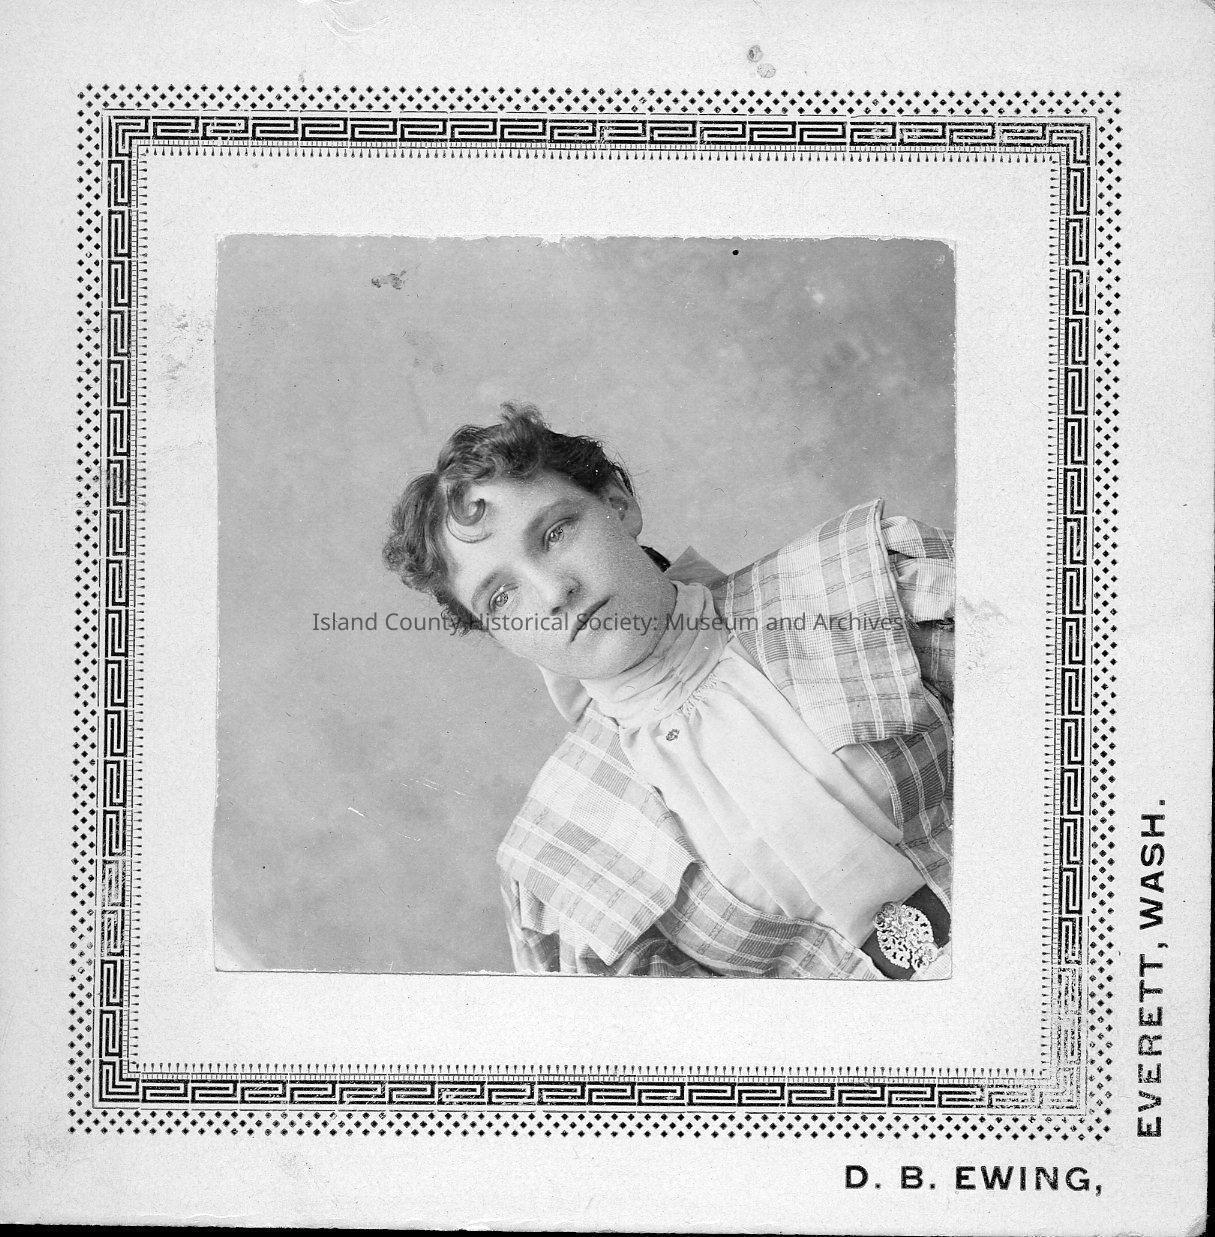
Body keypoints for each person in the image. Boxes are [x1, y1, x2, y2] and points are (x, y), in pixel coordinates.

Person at [382, 403, 954, 979]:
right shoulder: (561, 848)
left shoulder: (855, 583)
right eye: (502, 598)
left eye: (555, 533)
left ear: (617, 504)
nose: (553, 594)